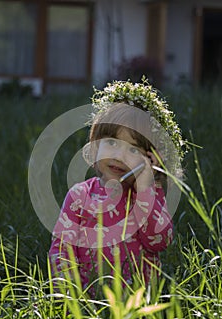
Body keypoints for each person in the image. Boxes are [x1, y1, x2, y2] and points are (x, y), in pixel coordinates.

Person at [49, 77, 187, 294]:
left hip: (137, 303)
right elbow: (61, 249)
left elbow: (159, 241)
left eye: (133, 150)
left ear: (151, 159)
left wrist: (145, 187)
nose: (119, 156)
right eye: (112, 143)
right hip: (88, 301)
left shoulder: (148, 196)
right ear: (95, 147)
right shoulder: (79, 196)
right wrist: (67, 295)